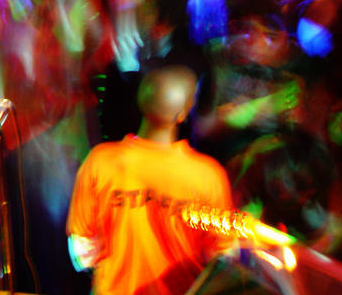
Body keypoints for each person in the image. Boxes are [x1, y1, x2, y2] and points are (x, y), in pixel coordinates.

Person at [67, 66, 233, 295]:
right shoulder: (209, 175)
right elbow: (221, 254)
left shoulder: (100, 160)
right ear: (183, 114)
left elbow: (82, 251)